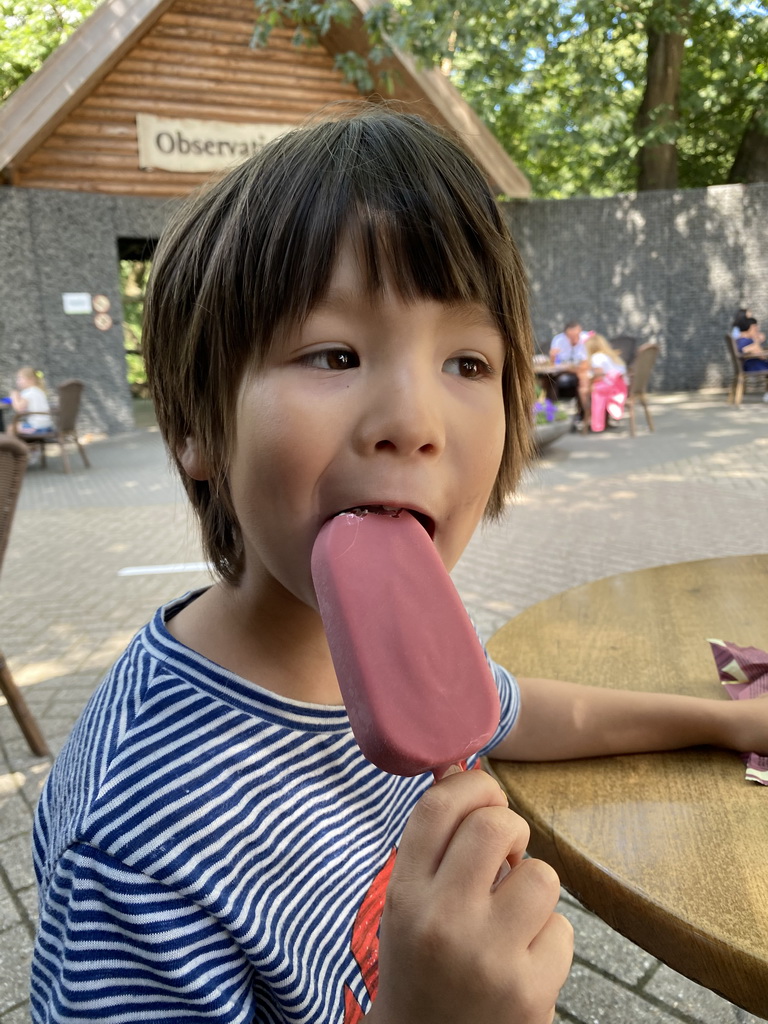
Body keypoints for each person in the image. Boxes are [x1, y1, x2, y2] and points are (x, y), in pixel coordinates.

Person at [30, 106, 768, 1024]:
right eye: (334, 353)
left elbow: (522, 711)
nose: (414, 420)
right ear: (193, 429)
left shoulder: (396, 662)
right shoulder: (135, 838)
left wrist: (726, 723)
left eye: (467, 361)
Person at [581, 333, 629, 432]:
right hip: (622, 387)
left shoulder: (597, 357)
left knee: (583, 390)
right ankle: (602, 419)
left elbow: (598, 376)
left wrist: (589, 379)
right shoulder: (612, 356)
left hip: (610, 387)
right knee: (587, 388)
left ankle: (588, 418)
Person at [9, 366, 54, 436]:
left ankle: (16, 447)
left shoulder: (28, 392)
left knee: (11, 428)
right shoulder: (39, 391)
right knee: (19, 425)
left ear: (31, 379)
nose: (17, 382)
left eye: (20, 379)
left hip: (37, 428)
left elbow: (18, 408)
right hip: (47, 427)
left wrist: (14, 396)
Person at [733, 315, 768, 402]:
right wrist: (757, 341)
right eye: (755, 328)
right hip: (754, 366)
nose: (757, 330)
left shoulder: (741, 340)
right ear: (751, 328)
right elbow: (761, 355)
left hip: (750, 365)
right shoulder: (746, 340)